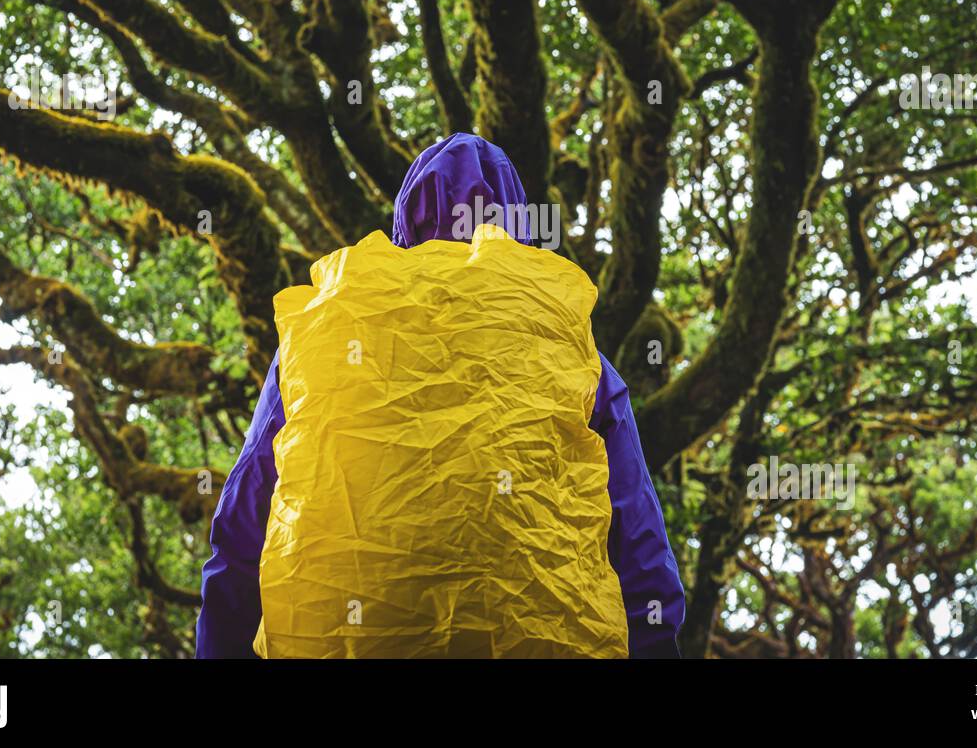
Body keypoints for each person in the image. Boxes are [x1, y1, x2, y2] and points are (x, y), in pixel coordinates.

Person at [196, 133, 684, 657]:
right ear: (517, 223)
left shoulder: (324, 327)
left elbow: (243, 525)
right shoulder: (565, 335)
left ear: (407, 218)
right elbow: (638, 538)